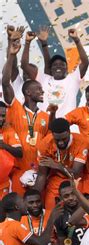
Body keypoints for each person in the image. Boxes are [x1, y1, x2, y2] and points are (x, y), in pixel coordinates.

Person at [2, 38, 48, 194]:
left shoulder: (45, 116)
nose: (42, 92)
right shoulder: (14, 107)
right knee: (18, 209)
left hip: (40, 174)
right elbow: (5, 82)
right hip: (18, 171)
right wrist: (11, 56)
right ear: (28, 92)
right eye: (39, 89)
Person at [21, 27, 89, 117]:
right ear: (51, 69)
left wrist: (76, 40)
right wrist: (27, 42)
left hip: (66, 126)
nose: (58, 66)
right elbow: (24, 65)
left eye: (62, 64)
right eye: (55, 65)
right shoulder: (44, 78)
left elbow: (85, 62)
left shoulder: (73, 78)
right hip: (44, 125)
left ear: (67, 68)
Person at [35, 118, 88, 210]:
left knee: (77, 212)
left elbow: (75, 174)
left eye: (64, 139)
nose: (61, 142)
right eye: (57, 139)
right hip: (55, 180)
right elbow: (41, 175)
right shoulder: (44, 144)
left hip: (76, 181)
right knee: (51, 211)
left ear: (69, 132)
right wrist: (35, 197)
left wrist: (57, 165)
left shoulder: (81, 141)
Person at [0, 100, 22, 198]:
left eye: (3, 116)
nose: (1, 119)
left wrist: (4, 145)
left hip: (3, 183)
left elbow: (19, 152)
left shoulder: (8, 131)